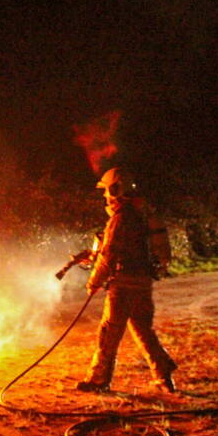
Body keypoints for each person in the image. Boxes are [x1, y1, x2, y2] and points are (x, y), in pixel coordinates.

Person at [77, 167, 178, 394]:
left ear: (116, 189)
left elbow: (108, 256)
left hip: (122, 286)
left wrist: (94, 282)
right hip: (142, 283)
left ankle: (98, 379)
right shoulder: (140, 215)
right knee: (143, 331)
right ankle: (163, 373)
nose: (105, 196)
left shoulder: (120, 219)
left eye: (107, 191)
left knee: (109, 334)